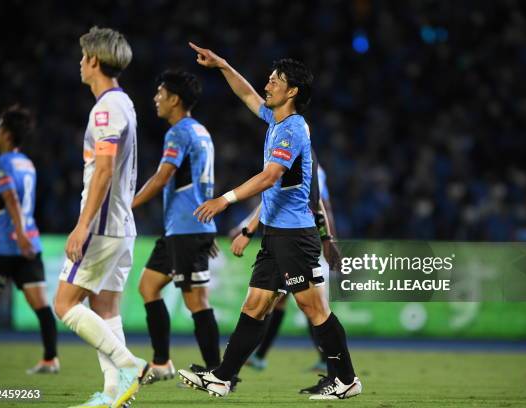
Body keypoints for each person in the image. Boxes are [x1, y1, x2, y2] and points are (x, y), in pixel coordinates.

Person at [178, 42, 361, 400]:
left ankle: (347, 379)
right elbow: (247, 94)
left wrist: (224, 199)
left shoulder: (292, 129)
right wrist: (222, 65)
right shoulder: (275, 121)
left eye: (276, 79)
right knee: (255, 305)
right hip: (277, 235)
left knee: (315, 309)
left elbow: (268, 177)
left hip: (295, 237)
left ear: (292, 91)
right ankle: (223, 377)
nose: (268, 83)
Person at [53, 26, 146, 408]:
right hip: (121, 226)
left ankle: (130, 364)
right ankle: (114, 397)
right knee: (105, 309)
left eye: (82, 56)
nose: (79, 62)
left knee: (64, 305)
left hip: (103, 226)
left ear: (93, 60)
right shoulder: (124, 103)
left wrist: (82, 225)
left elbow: (105, 170)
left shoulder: (106, 108)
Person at [132, 69, 222, 384]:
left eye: (160, 93)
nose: (156, 98)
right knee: (148, 286)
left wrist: (127, 204)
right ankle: (162, 363)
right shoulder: (200, 131)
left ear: (174, 99)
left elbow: (163, 176)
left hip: (187, 227)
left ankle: (218, 373)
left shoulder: (179, 133)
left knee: (195, 299)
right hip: (184, 227)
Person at [0, 106, 59, 375]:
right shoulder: (27, 164)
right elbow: (0, 208)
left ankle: (50, 359)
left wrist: (18, 236)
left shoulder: (1, 164)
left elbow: (11, 201)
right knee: (41, 304)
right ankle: (50, 359)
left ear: (7, 134)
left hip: (3, 246)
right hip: (30, 243)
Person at [239, 162, 343, 395]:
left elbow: (321, 203)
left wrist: (329, 240)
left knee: (314, 306)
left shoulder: (310, 166)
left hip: (300, 240)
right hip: (288, 238)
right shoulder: (292, 161)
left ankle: (334, 369)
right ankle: (261, 356)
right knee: (288, 302)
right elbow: (271, 199)